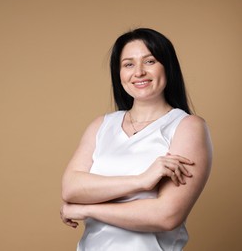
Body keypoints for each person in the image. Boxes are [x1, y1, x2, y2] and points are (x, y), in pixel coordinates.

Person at [60, 28, 213, 251]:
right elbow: (71, 188)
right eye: (128, 64)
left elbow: (167, 215)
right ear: (119, 73)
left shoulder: (188, 127)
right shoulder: (101, 125)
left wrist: (87, 209)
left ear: (167, 66)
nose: (139, 72)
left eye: (149, 61)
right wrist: (141, 180)